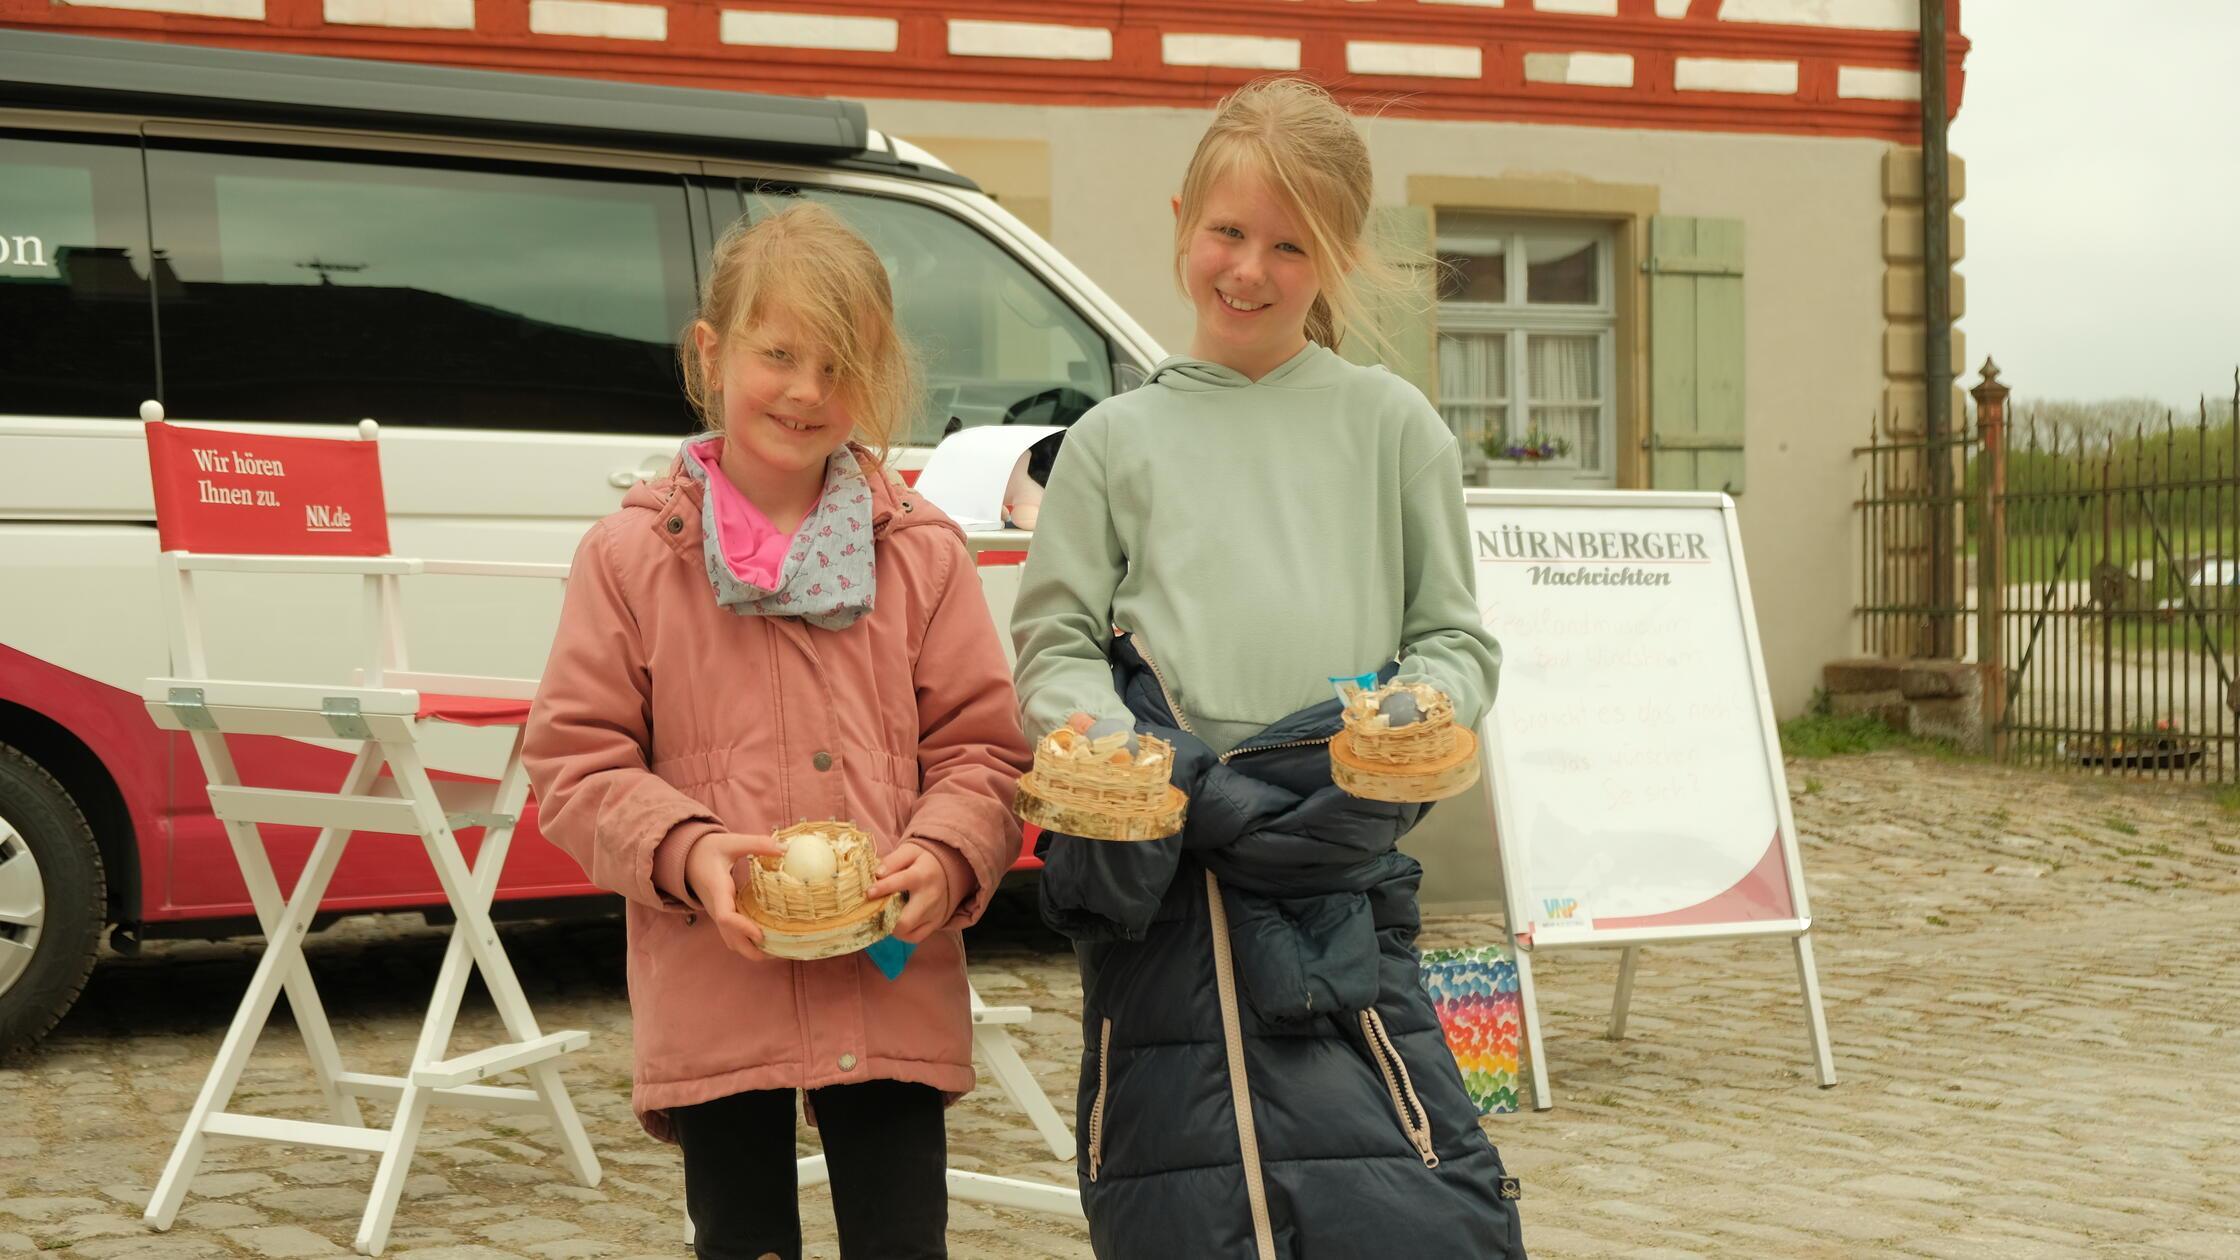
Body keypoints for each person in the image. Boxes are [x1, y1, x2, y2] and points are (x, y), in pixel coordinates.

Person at [1010, 77, 1528, 1258]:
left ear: (1337, 257)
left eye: (1289, 246)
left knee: (1405, 1199)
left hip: (1339, 868)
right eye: (1228, 233)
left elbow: (1455, 636)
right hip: (1165, 885)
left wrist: (1421, 706)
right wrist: (1104, 741)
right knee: (1181, 1199)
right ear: (1182, 217)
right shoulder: (1107, 443)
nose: (1248, 269)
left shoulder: (1395, 428)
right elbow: (1054, 644)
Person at [524, 202, 1030, 1260]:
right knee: (744, 1238)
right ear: (712, 353)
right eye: (778, 354)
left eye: (839, 364)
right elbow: (576, 762)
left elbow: (982, 749)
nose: (805, 391)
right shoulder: (630, 558)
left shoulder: (922, 555)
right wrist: (688, 848)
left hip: (891, 976)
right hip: (719, 978)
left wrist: (945, 852)